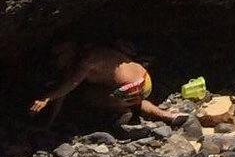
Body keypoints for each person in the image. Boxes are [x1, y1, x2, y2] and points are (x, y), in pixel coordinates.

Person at [29, 41, 175, 124]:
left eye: (59, 55)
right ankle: (165, 115)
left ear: (70, 51)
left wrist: (47, 98)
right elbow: (63, 91)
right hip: (145, 80)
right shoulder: (86, 55)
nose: (56, 60)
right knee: (134, 98)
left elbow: (71, 85)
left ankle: (122, 112)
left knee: (89, 96)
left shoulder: (87, 61)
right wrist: (50, 122)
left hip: (133, 89)